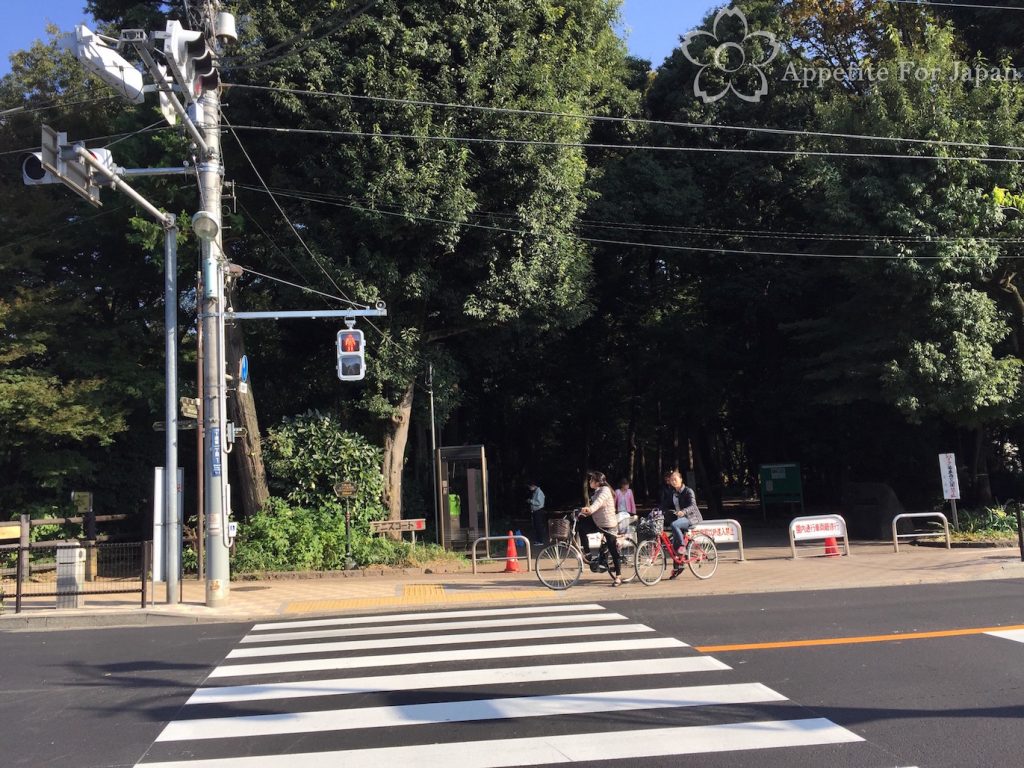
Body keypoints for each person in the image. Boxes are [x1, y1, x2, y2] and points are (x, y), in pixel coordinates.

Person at [577, 471, 623, 586]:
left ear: (597, 482)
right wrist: (581, 513)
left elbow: (596, 505)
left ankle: (618, 576)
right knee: (581, 526)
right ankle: (588, 554)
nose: (589, 481)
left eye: (591, 480)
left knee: (613, 549)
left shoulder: (605, 491)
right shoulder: (597, 491)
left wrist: (587, 510)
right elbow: (594, 509)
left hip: (608, 525)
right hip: (598, 522)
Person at [660, 470, 703, 560]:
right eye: (671, 480)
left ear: (681, 479)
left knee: (674, 525)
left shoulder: (688, 491)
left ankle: (682, 545)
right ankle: (677, 567)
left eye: (675, 479)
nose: (673, 482)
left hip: (691, 518)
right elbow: (665, 504)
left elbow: (693, 506)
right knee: (674, 543)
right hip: (680, 519)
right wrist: (656, 511)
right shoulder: (673, 493)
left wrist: (684, 511)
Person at [527, 481, 546, 546]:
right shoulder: (535, 492)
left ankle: (540, 541)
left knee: (538, 526)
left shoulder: (539, 492)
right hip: (535, 511)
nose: (529, 488)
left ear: (533, 486)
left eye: (530, 487)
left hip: (539, 511)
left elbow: (540, 503)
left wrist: (531, 501)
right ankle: (538, 540)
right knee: (536, 526)